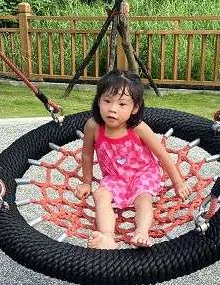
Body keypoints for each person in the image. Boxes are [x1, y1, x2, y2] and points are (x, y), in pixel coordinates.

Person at [76, 70, 191, 249]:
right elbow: (87, 155)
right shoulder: (93, 126)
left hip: (143, 173)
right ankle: (107, 237)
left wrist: (178, 183)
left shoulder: (138, 128)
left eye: (122, 104)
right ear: (98, 100)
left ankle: (141, 232)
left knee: (143, 198)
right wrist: (86, 182)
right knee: (100, 195)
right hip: (115, 177)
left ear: (134, 108)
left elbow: (161, 154)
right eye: (107, 101)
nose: (112, 109)